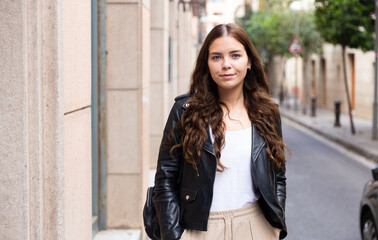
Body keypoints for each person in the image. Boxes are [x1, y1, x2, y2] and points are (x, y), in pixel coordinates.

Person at [152, 23, 288, 240]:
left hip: (255, 226)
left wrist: (276, 226)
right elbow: (165, 178)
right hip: (200, 229)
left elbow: (278, 175)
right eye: (216, 57)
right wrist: (174, 235)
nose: (226, 64)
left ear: (249, 61)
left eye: (235, 55)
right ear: (206, 63)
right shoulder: (186, 112)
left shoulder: (267, 113)